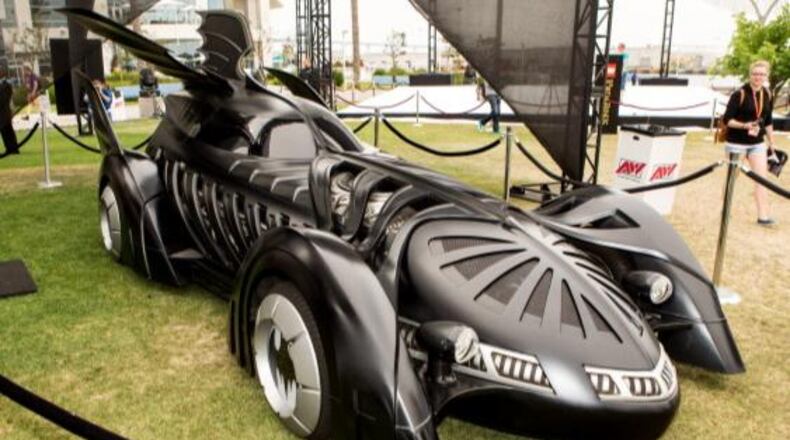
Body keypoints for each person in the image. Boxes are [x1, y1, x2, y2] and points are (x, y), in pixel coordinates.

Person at [722, 60, 778, 227]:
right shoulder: (739, 94)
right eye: (755, 74)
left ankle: (763, 217)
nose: (758, 77)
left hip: (757, 144)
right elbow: (727, 120)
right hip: (736, 143)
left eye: (762, 74)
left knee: (761, 180)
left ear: (766, 76)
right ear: (750, 75)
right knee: (732, 179)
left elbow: (768, 120)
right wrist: (744, 125)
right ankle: (725, 212)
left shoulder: (767, 93)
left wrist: (772, 142)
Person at [0, 68, 19, 158]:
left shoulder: (6, 85)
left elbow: (5, 99)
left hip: (4, 112)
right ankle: (9, 148)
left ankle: (13, 148)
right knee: (5, 131)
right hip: (3, 112)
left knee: (8, 131)